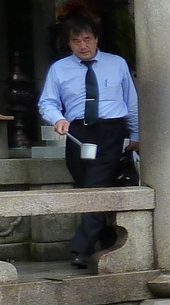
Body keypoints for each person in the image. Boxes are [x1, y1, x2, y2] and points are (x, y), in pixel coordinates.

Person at [37, 18, 138, 270]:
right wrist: (58, 118)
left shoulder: (117, 63)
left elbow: (131, 101)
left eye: (87, 39)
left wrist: (136, 134)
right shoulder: (59, 69)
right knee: (86, 184)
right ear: (68, 43)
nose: (83, 45)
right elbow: (46, 102)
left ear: (96, 39)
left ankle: (81, 249)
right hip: (78, 131)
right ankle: (105, 239)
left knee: (96, 183)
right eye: (76, 40)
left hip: (111, 129)